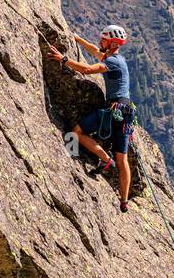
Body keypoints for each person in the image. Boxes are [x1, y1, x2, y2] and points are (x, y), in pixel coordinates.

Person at [47, 25, 136, 212]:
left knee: (76, 132)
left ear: (112, 43)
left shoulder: (112, 62)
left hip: (114, 110)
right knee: (123, 160)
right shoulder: (117, 59)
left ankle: (103, 158)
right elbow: (95, 52)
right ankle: (124, 200)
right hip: (126, 113)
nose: (100, 42)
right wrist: (78, 41)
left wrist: (64, 59)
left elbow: (88, 70)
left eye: (103, 40)